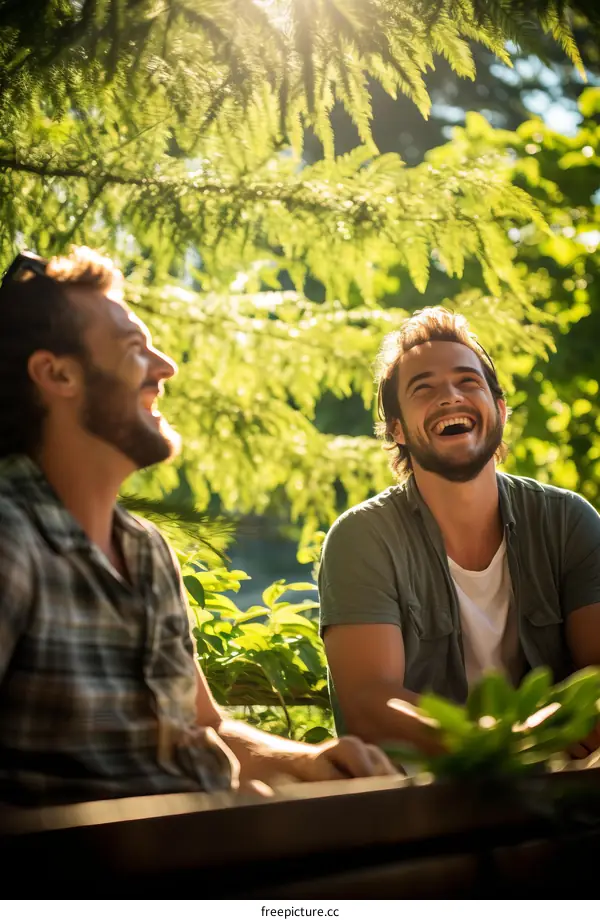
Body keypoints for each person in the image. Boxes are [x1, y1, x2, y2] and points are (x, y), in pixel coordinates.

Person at [0, 246, 395, 808]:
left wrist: (308, 762)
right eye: (135, 348)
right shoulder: (10, 540)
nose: (166, 367)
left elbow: (203, 727)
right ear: (57, 374)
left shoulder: (145, 551)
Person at [319, 307, 600, 758]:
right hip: (423, 801)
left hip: (563, 797)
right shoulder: (362, 539)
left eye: (468, 382)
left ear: (499, 409)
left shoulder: (568, 521)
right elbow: (371, 704)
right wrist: (511, 745)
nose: (450, 396)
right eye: (423, 388)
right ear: (398, 430)